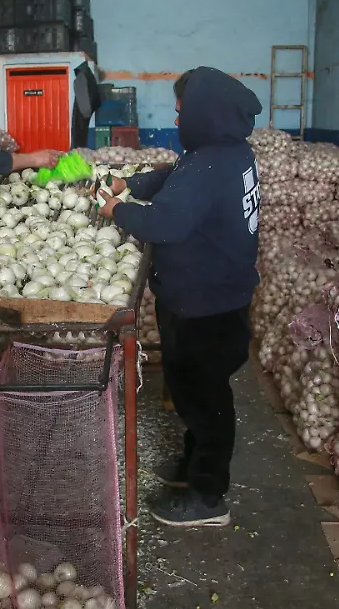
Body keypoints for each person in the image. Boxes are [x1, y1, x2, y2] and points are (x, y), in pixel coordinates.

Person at [98, 66, 261, 527]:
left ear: (204, 113)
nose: (175, 116)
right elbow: (178, 178)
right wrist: (132, 184)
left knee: (205, 401)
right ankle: (195, 471)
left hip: (205, 307)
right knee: (198, 396)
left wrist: (118, 209)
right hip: (218, 297)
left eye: (181, 109)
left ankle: (209, 498)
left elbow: (164, 224)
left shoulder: (210, 163)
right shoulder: (228, 153)